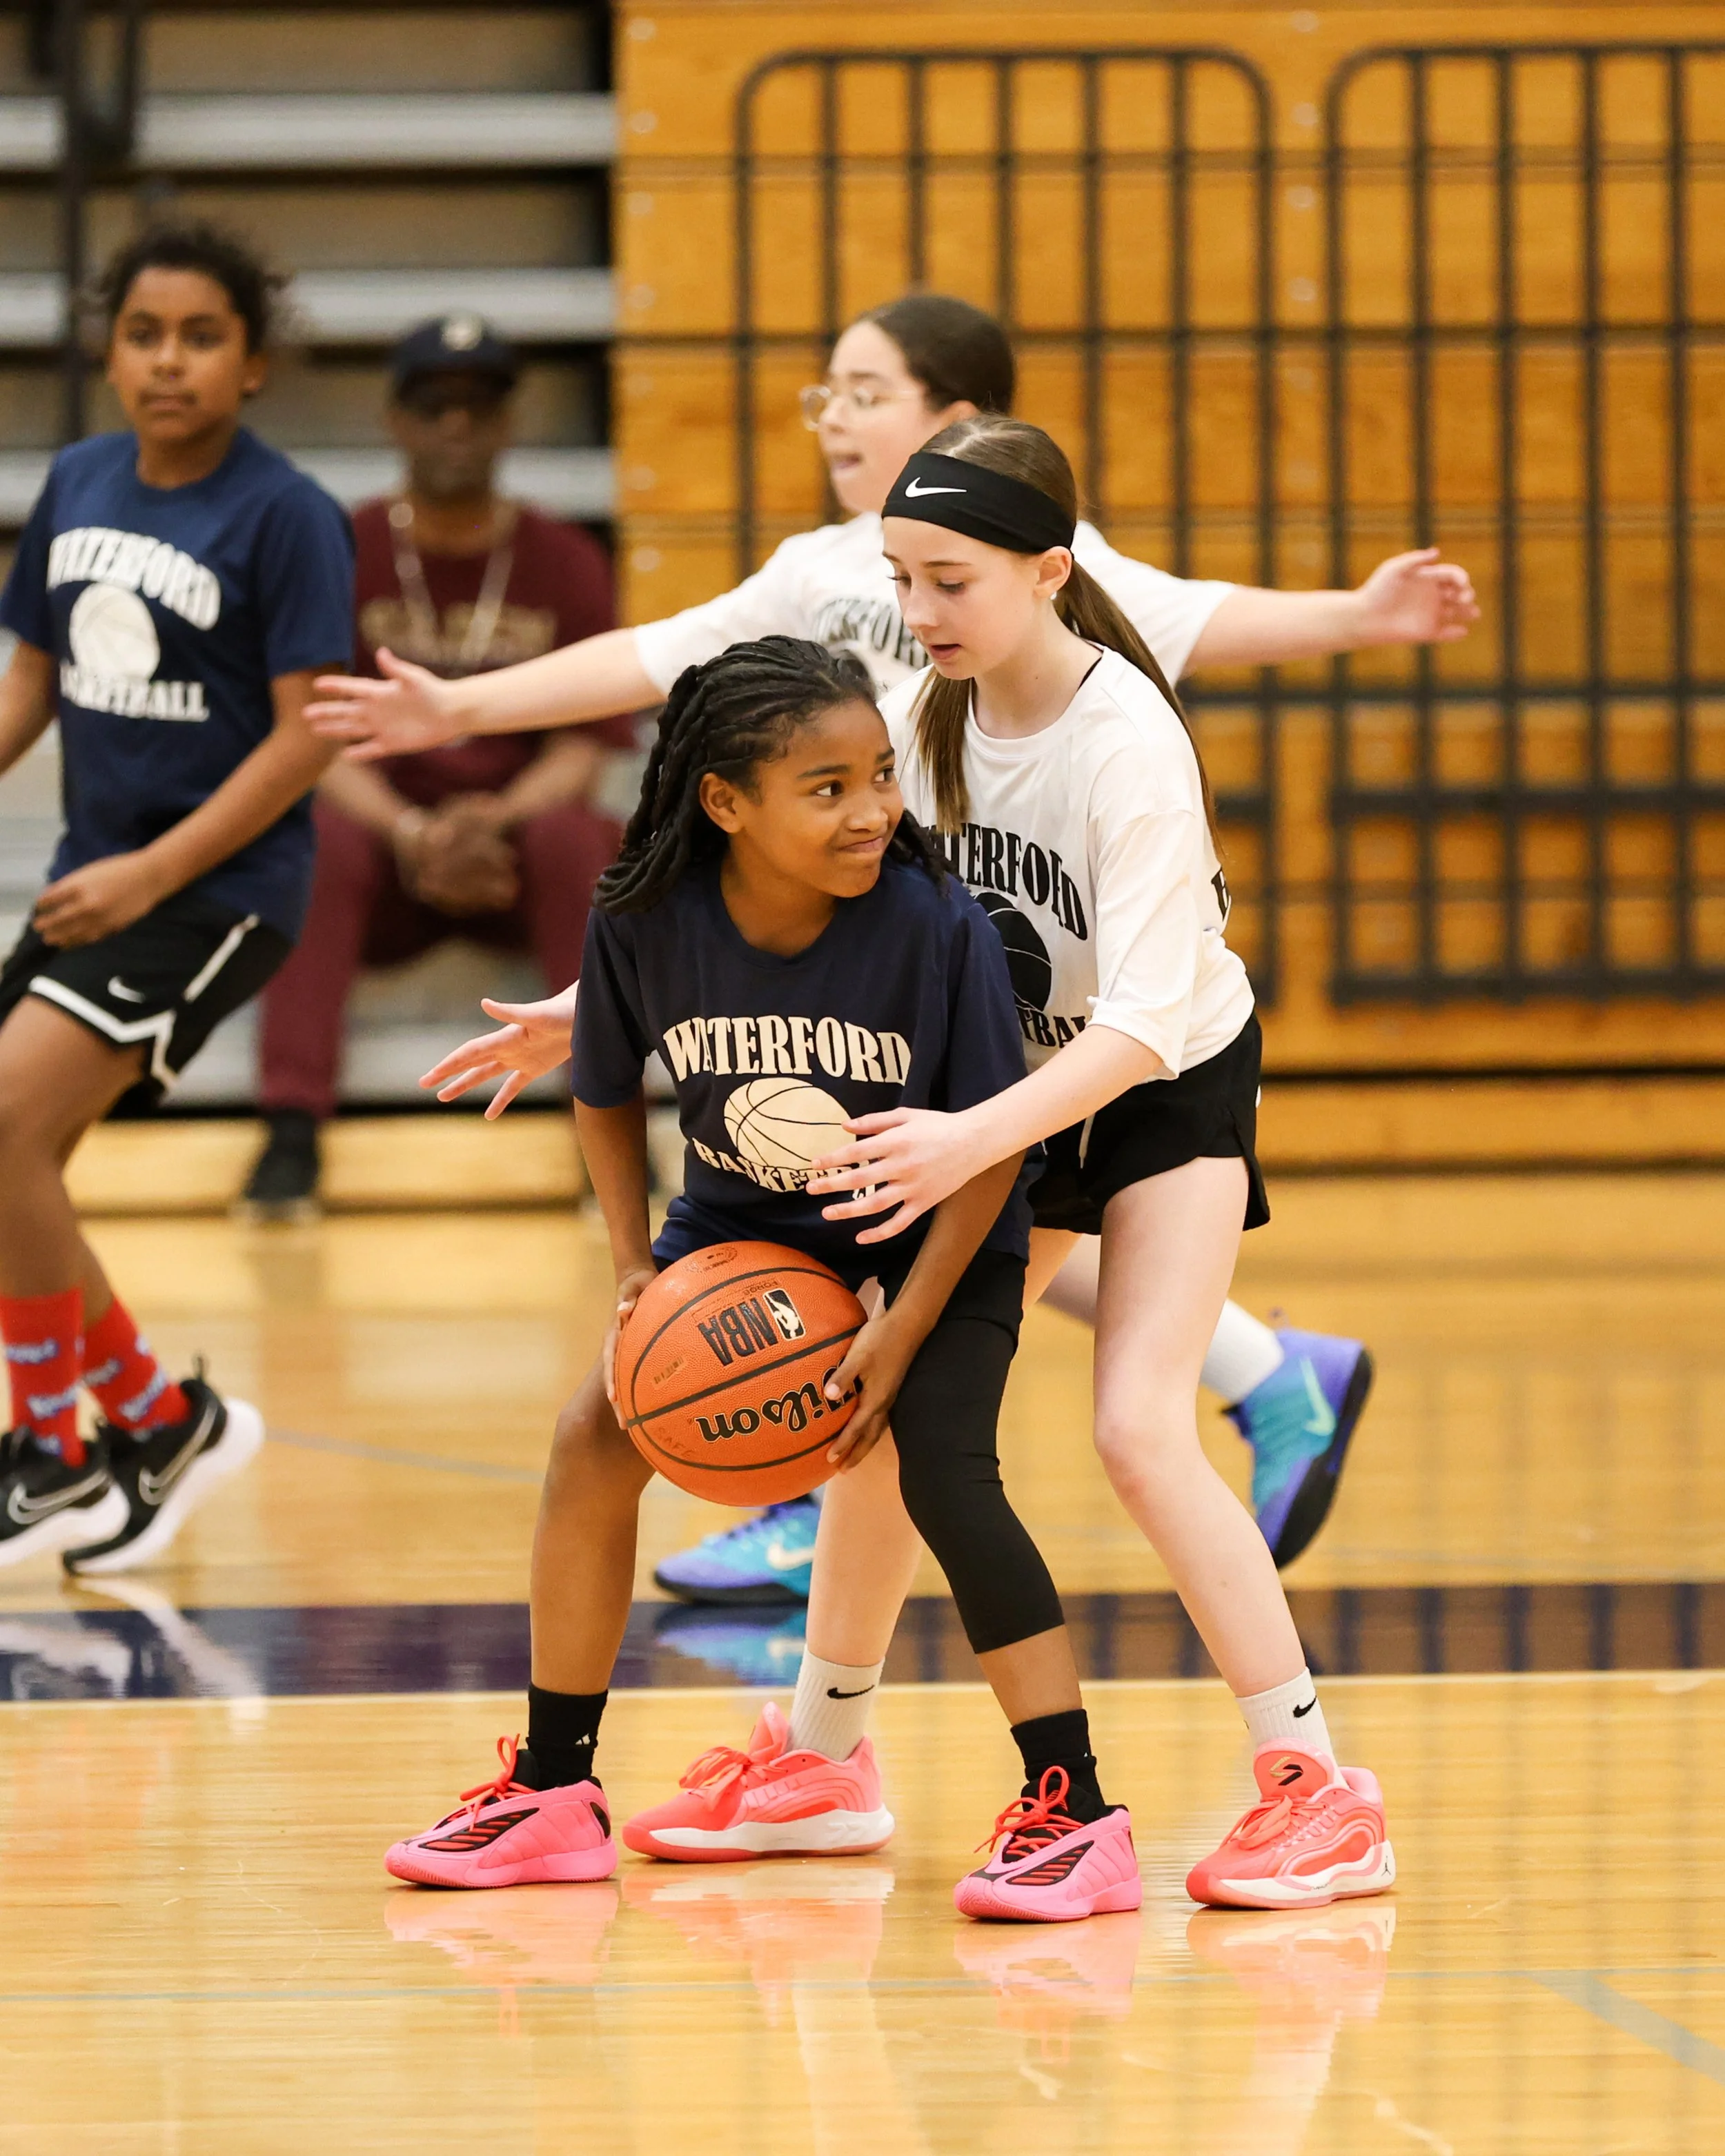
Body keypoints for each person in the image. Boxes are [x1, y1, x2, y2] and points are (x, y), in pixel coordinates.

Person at [310, 292, 1476, 1594]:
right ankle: (889, 1461)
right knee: (876, 1214)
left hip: (1050, 1016)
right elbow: (655, 656)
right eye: (827, 392)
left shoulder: (1032, 588)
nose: (835, 417)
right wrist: (464, 711)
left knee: (932, 1241)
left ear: (956, 426)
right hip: (909, 986)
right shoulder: (824, 572)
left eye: (866, 391)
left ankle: (838, 1456)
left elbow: (1190, 616)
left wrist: (1360, 620)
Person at [625, 422, 1395, 1908]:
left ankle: (1316, 1787)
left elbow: (1147, 1020)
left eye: (948, 580)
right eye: (901, 578)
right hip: (1012, 1082)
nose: (917, 611)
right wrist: (608, 990)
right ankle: (823, 1758)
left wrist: (972, 1135)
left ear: (1048, 572)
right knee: (881, 1399)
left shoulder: (1125, 744)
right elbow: (812, 871)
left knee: (1135, 1426)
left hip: (1156, 1088)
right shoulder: (928, 710)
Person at [384, 637, 1143, 1925]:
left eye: (882, 778)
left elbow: (984, 1155)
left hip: (931, 1235)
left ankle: (1074, 1809)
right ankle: (555, 1796)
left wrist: (899, 1332)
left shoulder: (931, 927)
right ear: (725, 802)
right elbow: (606, 1086)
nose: (873, 811)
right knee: (589, 1438)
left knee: (943, 1471)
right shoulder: (643, 916)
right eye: (829, 787)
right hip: (746, 1235)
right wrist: (633, 1262)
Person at [0, 220, 353, 1570]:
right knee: (10, 1165)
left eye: (201, 337)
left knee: (6, 1129)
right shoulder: (82, 478)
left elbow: (305, 733)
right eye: (145, 333)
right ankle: (157, 1419)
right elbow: (31, 678)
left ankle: (54, 1452)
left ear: (252, 364)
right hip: (99, 879)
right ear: (109, 348)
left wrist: (155, 868)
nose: (168, 360)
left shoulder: (285, 515)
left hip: (218, 890)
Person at [241, 315, 633, 1215]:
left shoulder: (565, 557)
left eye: (477, 406)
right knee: (317, 841)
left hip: (513, 849)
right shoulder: (343, 547)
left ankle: (609, 1126)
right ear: (397, 419)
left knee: (582, 842)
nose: (456, 425)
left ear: (507, 422)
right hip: (386, 849)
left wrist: (489, 822)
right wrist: (412, 831)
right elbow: (311, 729)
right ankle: (291, 1131)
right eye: (434, 405)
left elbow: (584, 741)